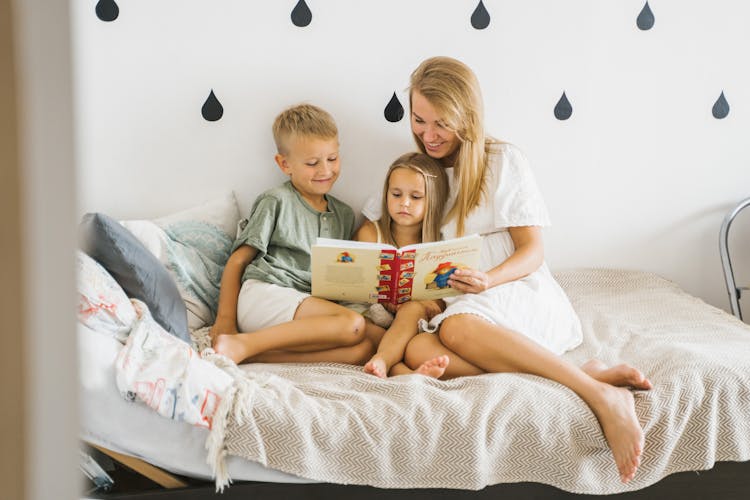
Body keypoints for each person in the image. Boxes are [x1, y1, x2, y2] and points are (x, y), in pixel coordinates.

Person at [361, 56, 652, 483]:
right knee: (420, 351)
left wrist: (487, 281)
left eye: (441, 123)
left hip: (513, 286)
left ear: (467, 116)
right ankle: (575, 373)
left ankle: (600, 395)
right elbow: (375, 222)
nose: (428, 134)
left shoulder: (502, 160)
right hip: (455, 301)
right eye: (418, 120)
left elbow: (532, 250)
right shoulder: (421, 168)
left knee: (457, 330)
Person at [211, 103, 384, 365]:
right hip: (266, 294)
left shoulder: (344, 214)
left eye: (332, 158)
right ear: (284, 164)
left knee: (368, 346)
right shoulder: (276, 201)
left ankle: (250, 354)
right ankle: (243, 342)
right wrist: (224, 320)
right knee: (352, 324)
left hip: (305, 306)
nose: (325, 170)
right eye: (312, 163)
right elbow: (238, 260)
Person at [354, 151, 451, 379]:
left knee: (413, 311)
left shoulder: (439, 243)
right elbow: (359, 282)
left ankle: (385, 362)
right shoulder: (370, 232)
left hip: (411, 319)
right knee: (371, 336)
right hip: (375, 317)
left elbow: (441, 297)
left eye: (416, 197)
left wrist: (428, 302)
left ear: (433, 201)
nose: (404, 203)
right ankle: (403, 371)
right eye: (396, 194)